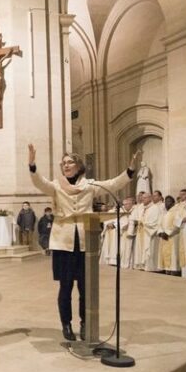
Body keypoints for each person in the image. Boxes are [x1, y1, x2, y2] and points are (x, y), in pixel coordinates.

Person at [28, 144, 138, 341]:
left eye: (70, 162)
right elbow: (39, 182)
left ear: (79, 166)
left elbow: (113, 184)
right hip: (63, 243)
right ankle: (66, 324)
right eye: (64, 163)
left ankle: (85, 323)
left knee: (85, 288)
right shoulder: (56, 185)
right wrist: (32, 164)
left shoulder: (90, 186)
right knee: (66, 287)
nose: (66, 165)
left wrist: (130, 169)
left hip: (86, 241)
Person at [132, 192, 163, 272]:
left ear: (150, 198)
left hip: (149, 233)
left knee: (149, 250)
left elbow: (156, 222)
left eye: (145, 198)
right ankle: (141, 264)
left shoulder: (155, 208)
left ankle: (150, 267)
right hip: (141, 231)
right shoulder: (142, 208)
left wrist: (144, 223)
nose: (142, 199)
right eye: (142, 197)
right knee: (140, 249)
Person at [157, 196, 181, 274]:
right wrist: (160, 232)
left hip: (172, 237)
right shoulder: (164, 213)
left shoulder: (177, 212)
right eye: (166, 202)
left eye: (169, 201)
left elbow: (177, 225)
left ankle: (173, 269)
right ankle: (166, 268)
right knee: (164, 252)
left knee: (173, 254)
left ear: (173, 203)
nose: (167, 203)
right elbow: (159, 224)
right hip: (163, 236)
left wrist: (167, 233)